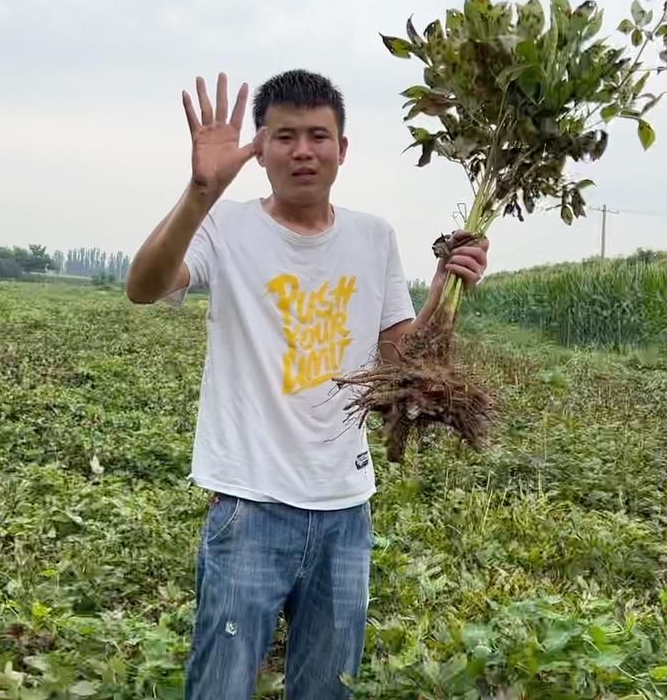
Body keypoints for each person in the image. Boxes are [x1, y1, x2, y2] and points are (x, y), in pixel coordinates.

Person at [125, 68, 489, 699]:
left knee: (328, 687)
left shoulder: (373, 236)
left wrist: (438, 291)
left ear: (342, 149)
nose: (302, 150)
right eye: (284, 135)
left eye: (318, 135)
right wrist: (199, 191)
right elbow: (144, 286)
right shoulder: (225, 226)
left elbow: (399, 355)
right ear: (260, 149)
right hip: (249, 505)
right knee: (221, 686)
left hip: (345, 508)